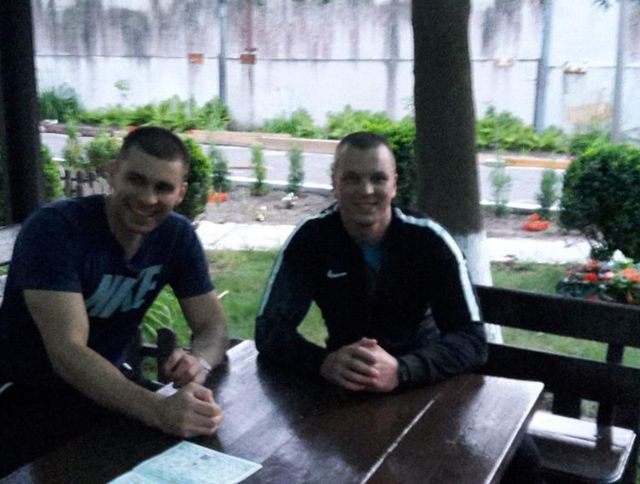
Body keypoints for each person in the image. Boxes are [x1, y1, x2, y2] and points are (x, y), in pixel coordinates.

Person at [0, 126, 228, 477]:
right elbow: (68, 352)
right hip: (25, 394)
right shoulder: (55, 229)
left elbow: (213, 326)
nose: (148, 198)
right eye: (136, 180)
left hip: (105, 392)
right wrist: (157, 410)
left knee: (202, 454)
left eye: (163, 188)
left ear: (180, 193)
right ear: (113, 172)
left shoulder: (176, 235)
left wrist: (201, 362)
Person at [255, 131, 487, 391]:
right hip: (343, 385)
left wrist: (402, 370)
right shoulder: (312, 238)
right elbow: (269, 330)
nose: (366, 191)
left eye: (378, 179)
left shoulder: (429, 240)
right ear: (334, 183)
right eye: (352, 178)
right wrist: (324, 363)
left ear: (394, 184)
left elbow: (472, 339)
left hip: (421, 387)